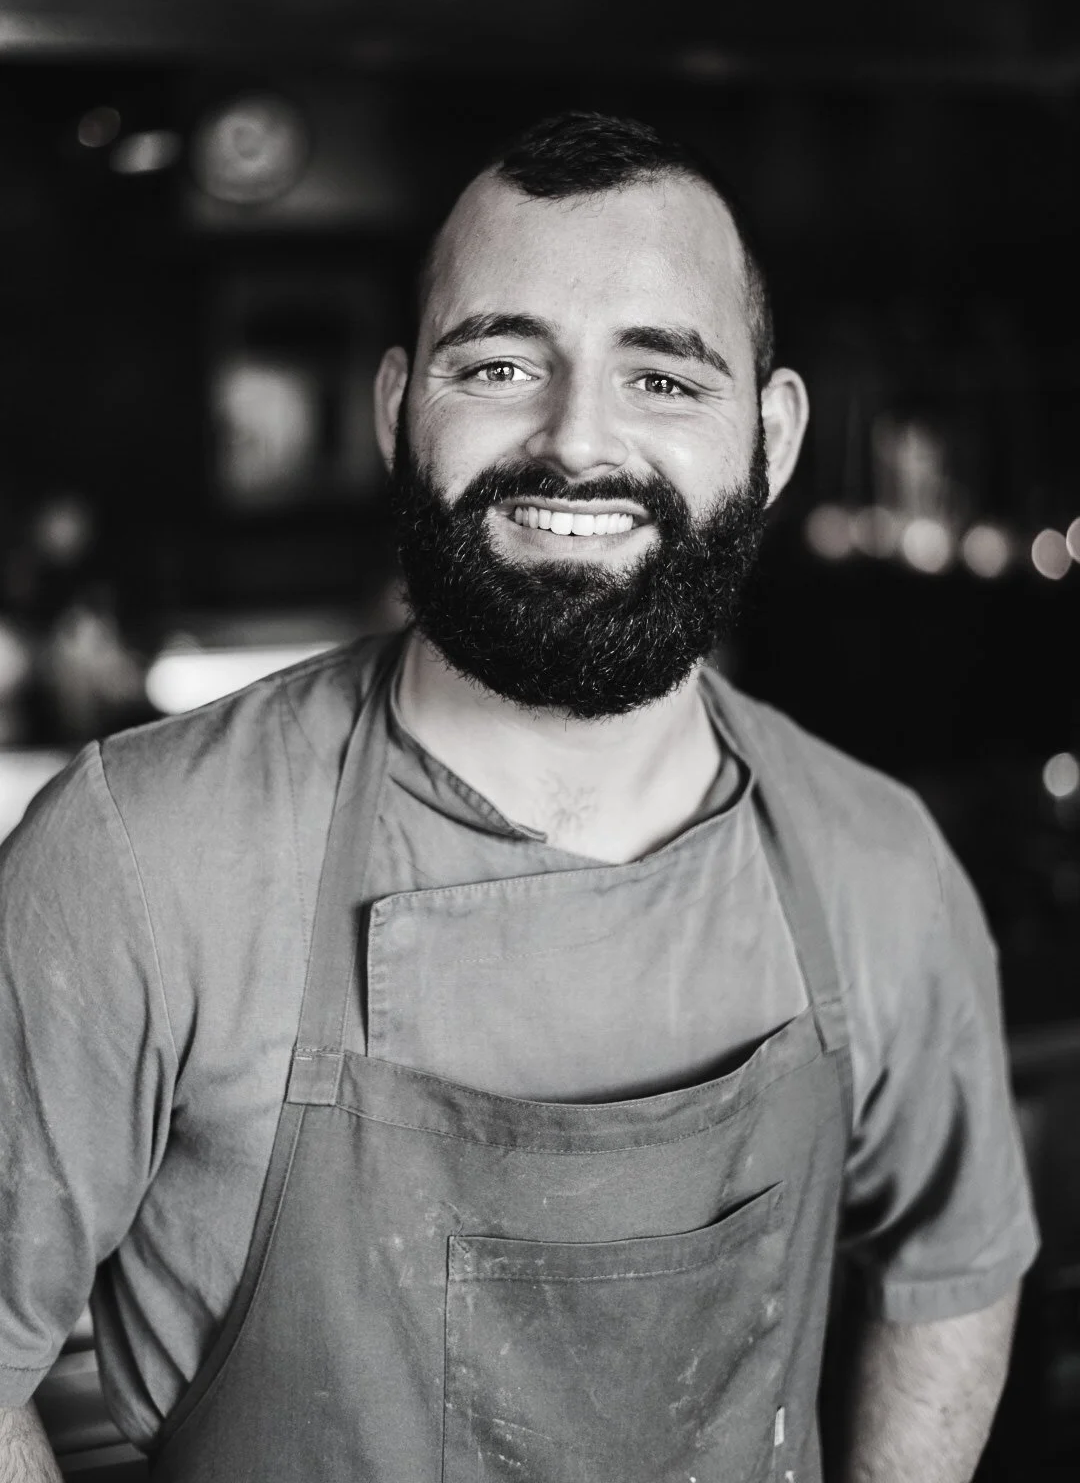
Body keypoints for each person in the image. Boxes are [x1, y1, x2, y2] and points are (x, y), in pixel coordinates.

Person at [0, 111, 1037, 1483]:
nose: (576, 443)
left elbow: (954, 1270)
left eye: (664, 380)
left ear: (772, 441)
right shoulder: (137, 855)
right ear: (396, 408)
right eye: (499, 364)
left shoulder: (874, 862)